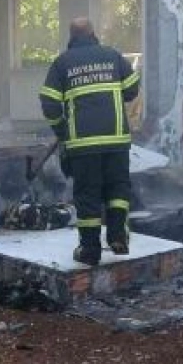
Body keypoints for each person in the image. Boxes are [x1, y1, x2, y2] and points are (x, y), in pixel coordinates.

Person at [39, 17, 141, 266]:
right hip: (116, 140)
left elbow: (49, 101)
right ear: (93, 33)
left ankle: (90, 249)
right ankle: (118, 236)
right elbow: (132, 89)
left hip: (83, 144)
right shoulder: (112, 56)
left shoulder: (63, 63)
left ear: (71, 36)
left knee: (88, 195)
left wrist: (62, 129)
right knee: (118, 188)